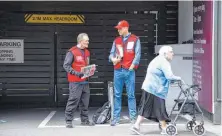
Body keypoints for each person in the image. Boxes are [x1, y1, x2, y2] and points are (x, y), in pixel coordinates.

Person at [130, 46, 181, 135]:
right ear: (165, 53)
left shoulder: (157, 59)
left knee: (146, 107)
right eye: (171, 52)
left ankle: (136, 126)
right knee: (159, 108)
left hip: (149, 87)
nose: (173, 54)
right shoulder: (164, 62)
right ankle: (164, 128)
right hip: (156, 89)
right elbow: (169, 76)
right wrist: (179, 78)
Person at [109, 20, 141, 126]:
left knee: (131, 95)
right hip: (117, 70)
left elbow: (138, 54)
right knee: (117, 95)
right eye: (118, 28)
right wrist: (113, 59)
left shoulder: (135, 39)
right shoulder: (116, 40)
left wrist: (133, 66)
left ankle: (132, 117)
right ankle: (116, 118)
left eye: (120, 28)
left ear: (126, 28)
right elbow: (111, 55)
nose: (118, 30)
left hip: (129, 70)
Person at [63, 33, 95, 128]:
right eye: (86, 41)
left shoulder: (87, 52)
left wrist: (91, 70)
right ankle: (68, 121)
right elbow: (66, 66)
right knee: (73, 101)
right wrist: (76, 73)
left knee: (85, 102)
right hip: (75, 82)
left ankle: (84, 120)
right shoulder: (71, 52)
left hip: (85, 81)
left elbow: (87, 64)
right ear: (81, 41)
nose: (88, 42)